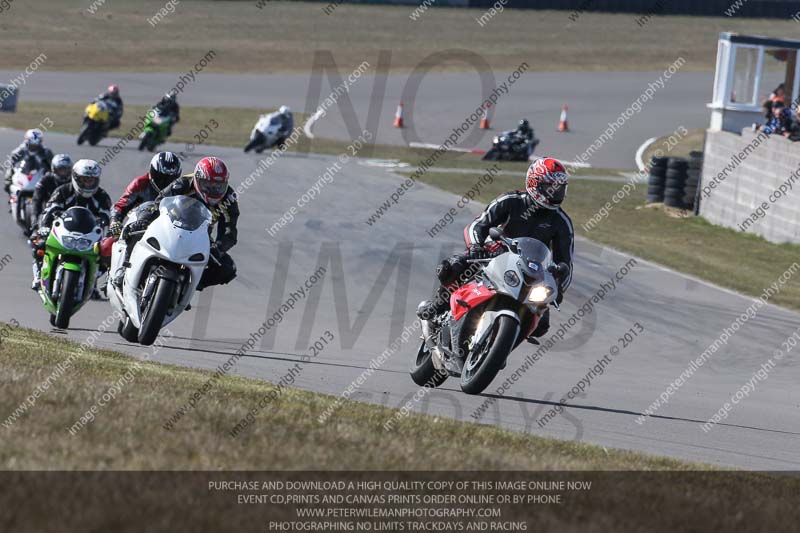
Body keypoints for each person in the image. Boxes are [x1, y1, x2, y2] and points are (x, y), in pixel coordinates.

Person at [417, 157, 574, 340]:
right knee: (453, 267)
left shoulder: (562, 222)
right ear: (534, 183)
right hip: (496, 253)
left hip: (531, 271)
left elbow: (566, 264)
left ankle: (500, 347)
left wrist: (558, 288)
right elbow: (478, 225)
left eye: (560, 187)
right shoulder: (511, 200)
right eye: (550, 187)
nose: (556, 192)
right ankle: (438, 307)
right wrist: (476, 246)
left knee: (542, 325)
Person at [115, 156, 238, 291]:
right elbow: (158, 202)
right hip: (169, 225)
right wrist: (144, 221)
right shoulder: (183, 183)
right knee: (138, 229)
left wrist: (218, 247)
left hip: (200, 236)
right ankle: (124, 269)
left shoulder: (229, 198)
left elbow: (229, 230)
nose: (214, 190)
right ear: (197, 179)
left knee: (227, 268)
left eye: (218, 186)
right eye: (209, 185)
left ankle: (187, 286)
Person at [31, 159, 112, 289]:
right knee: (37, 241)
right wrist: (43, 227)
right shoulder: (63, 191)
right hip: (64, 231)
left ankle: (97, 279)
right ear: (75, 178)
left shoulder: (102, 196)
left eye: (91, 180)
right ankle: (39, 273)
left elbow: (109, 217)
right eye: (84, 180)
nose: (87, 184)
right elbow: (49, 210)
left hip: (89, 237)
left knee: (110, 251)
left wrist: (110, 233)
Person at [109, 151, 183, 239]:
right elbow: (120, 205)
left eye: (170, 179)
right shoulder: (140, 183)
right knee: (108, 243)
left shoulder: (180, 188)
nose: (165, 182)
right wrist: (115, 221)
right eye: (161, 177)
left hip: (168, 233)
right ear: (152, 171)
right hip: (136, 229)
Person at [3, 129, 54, 194]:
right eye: (31, 144)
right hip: (23, 173)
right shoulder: (21, 151)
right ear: (27, 141)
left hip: (39, 175)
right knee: (8, 179)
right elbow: (12, 162)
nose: (34, 146)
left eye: (36, 144)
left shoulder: (46, 152)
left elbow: (53, 166)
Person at [32, 153, 72, 221]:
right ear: (54, 169)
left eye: (66, 170)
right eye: (61, 170)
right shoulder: (46, 179)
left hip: (71, 215)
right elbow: (36, 199)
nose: (64, 173)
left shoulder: (75, 181)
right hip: (49, 215)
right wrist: (35, 217)